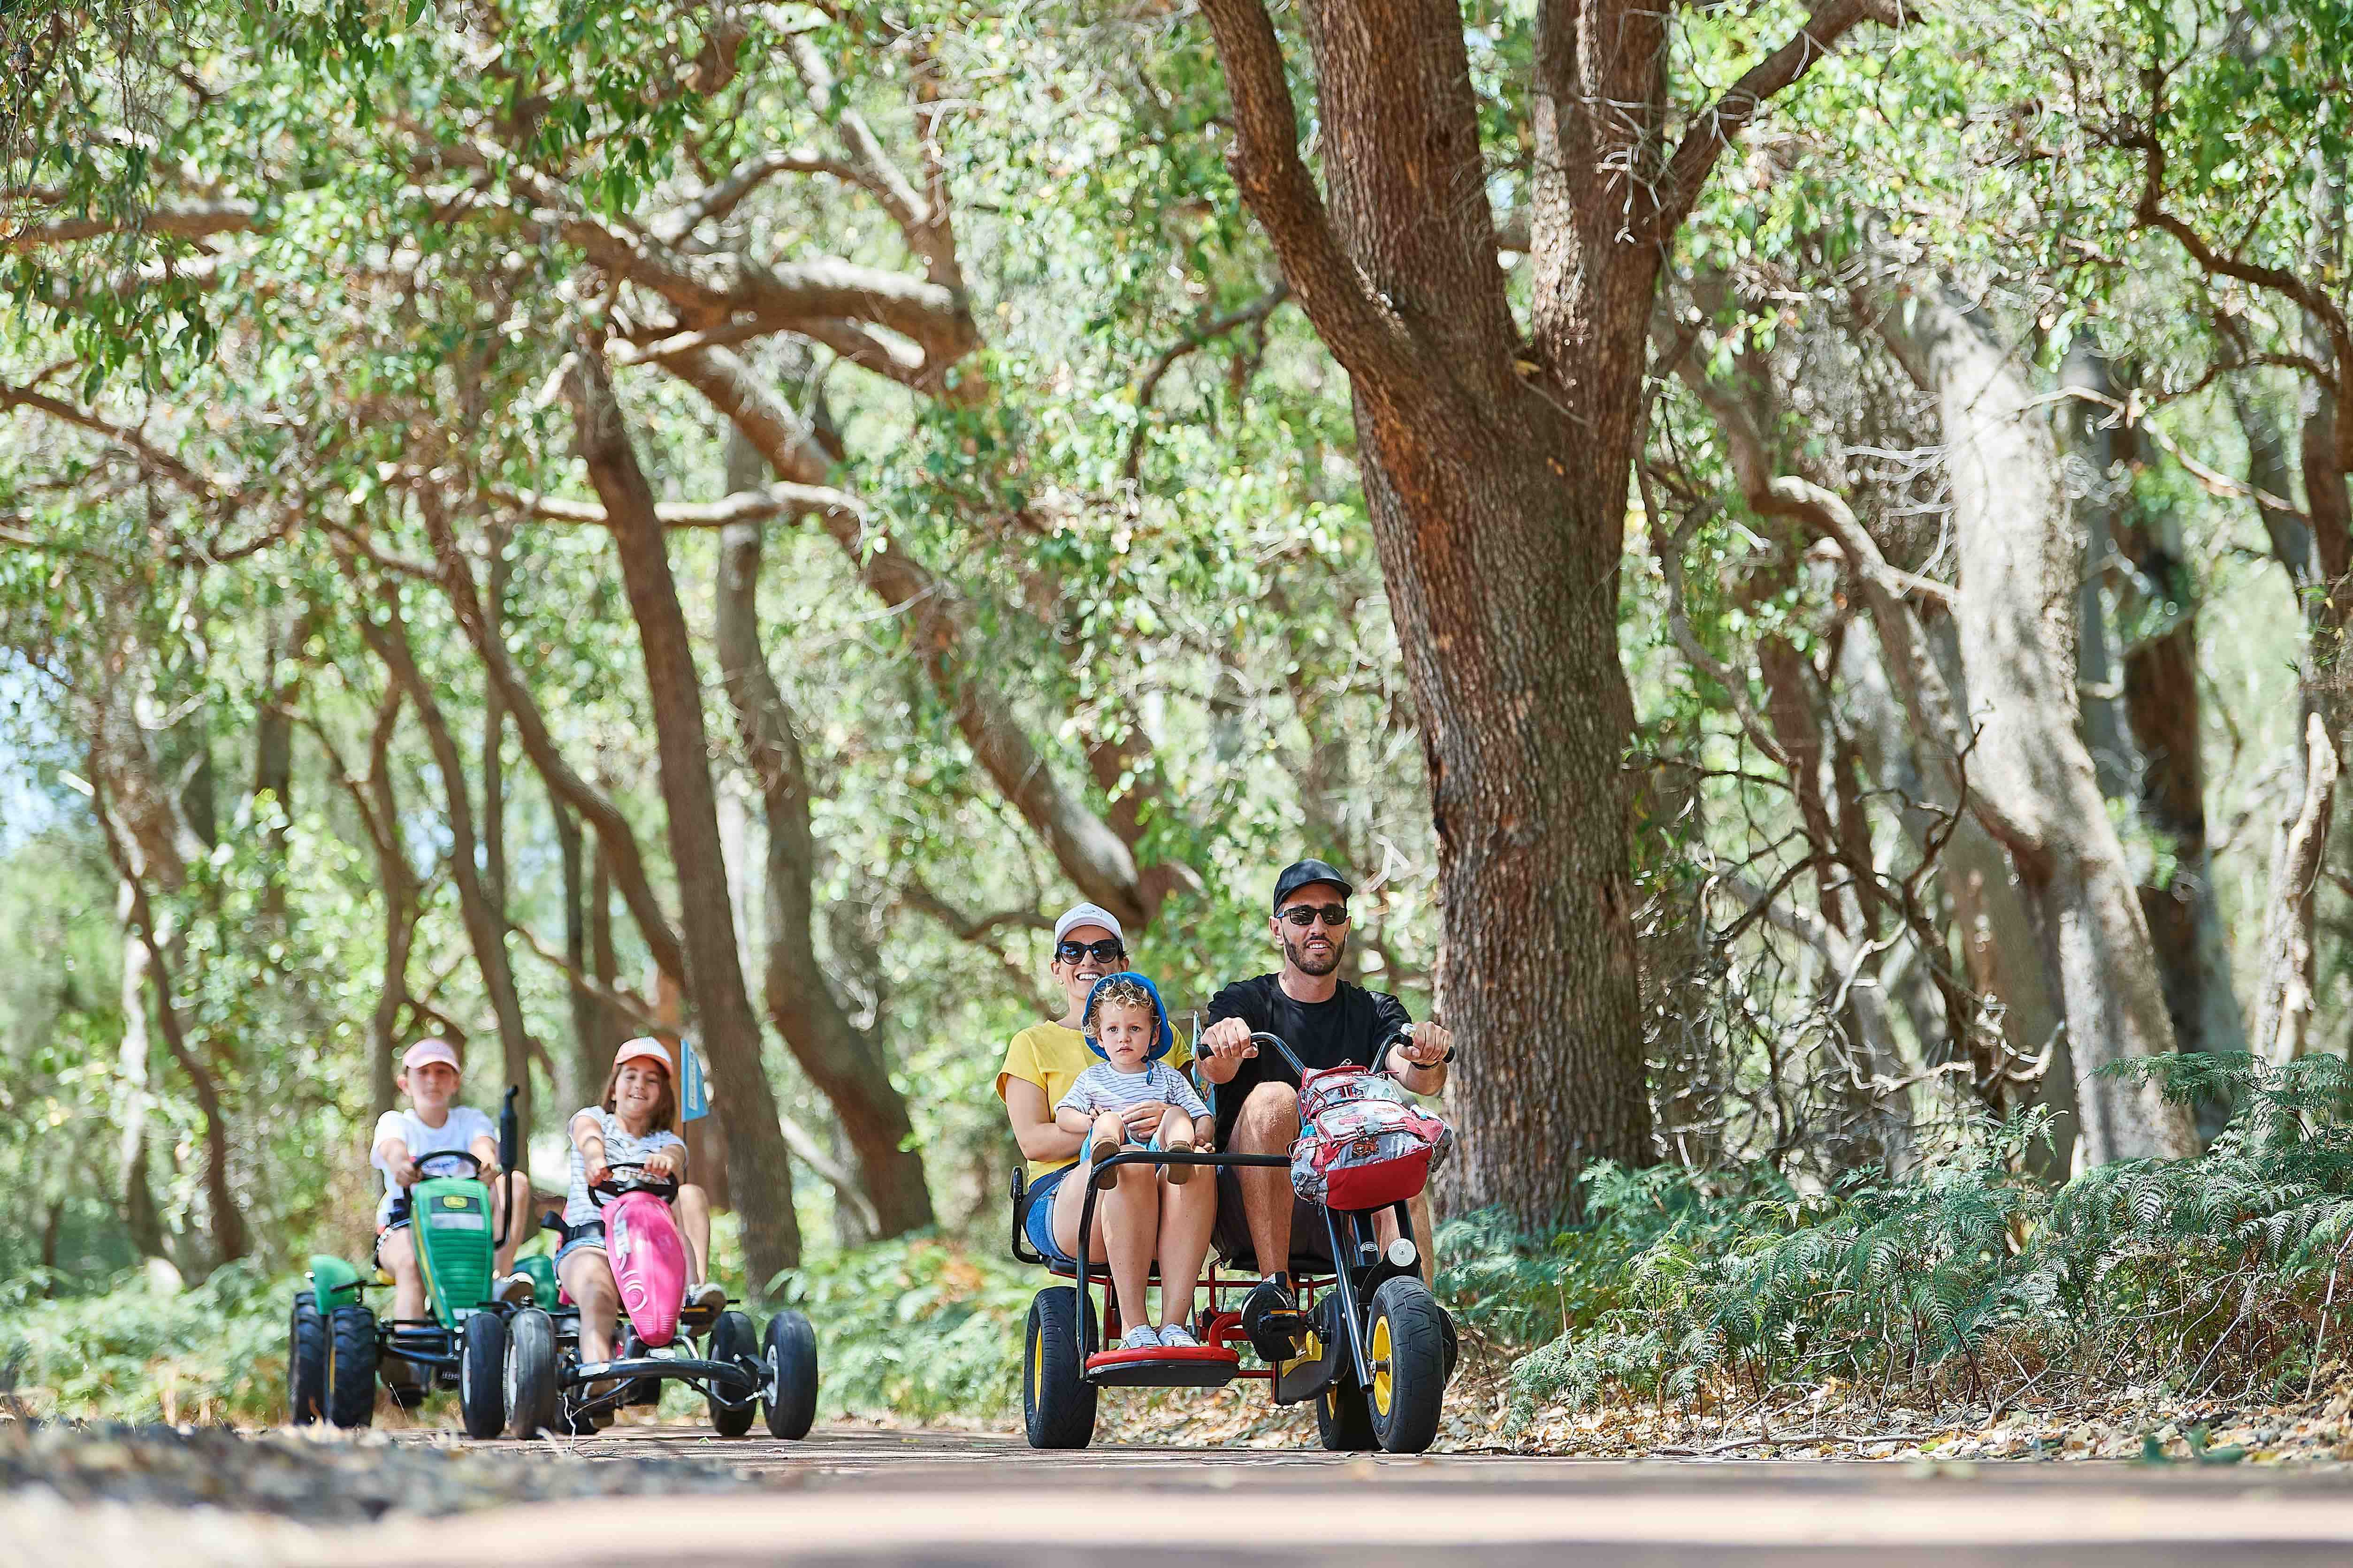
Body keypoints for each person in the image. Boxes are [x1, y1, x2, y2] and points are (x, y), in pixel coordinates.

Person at [1197, 858, 1454, 1358]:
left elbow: (1417, 1075)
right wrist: (1223, 1041)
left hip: (1344, 1200)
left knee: (1399, 1156)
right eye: (1301, 916)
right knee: (1276, 1098)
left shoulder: (1375, 1010)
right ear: (1278, 928)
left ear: (1346, 927)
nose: (1318, 927)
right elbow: (1215, 1068)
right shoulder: (1246, 1001)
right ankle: (1276, 1290)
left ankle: (1415, 1317)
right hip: (1250, 1207)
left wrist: (1427, 1051)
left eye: (1332, 915)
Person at [998, 904, 1216, 1346]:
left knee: (1195, 1163)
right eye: (1074, 951)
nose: (1088, 961)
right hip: (1068, 1191)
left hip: (1161, 1179)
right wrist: (1106, 1126)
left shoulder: (1162, 1040)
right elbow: (1035, 1141)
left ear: (1123, 964)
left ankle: (1175, 1322)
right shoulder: (1033, 1043)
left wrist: (1176, 1125)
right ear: (1057, 968)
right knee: (1129, 1160)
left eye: (1103, 949)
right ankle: (1136, 1326)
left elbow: (1194, 1109)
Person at [1055, 972, 1216, 1348]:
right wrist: (1091, 1121)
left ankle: (1175, 1325)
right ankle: (1136, 1324)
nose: (1124, 1038)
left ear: (1154, 1035)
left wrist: (1201, 1136)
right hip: (1120, 1155)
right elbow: (1065, 1114)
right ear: (1098, 1036)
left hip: (1162, 1158)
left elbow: (1201, 1114)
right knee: (1113, 1127)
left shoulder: (1167, 1077)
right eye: (1113, 1029)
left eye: (1134, 1029)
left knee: (1179, 1115)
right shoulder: (1094, 1079)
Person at [558, 1038, 727, 1393]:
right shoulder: (594, 1121)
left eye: (651, 1080)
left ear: (662, 1094)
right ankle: (598, 1376)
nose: (639, 1085)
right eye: (631, 1076)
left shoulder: (667, 1141)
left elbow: (675, 1154)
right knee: (597, 1293)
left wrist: (668, 1161)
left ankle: (693, 1296)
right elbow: (587, 1136)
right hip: (593, 1243)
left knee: (690, 1194)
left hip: (651, 1249)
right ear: (615, 1087)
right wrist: (595, 1158)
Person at [371, 1038, 533, 1321]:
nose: (433, 1080)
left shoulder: (470, 1120)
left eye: (442, 1072)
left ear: (456, 1082)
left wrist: (486, 1164)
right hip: (406, 1225)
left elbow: (483, 1148)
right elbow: (393, 1150)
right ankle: (412, 1350)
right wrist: (402, 1166)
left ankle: (498, 1279)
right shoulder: (396, 1123)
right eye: (423, 1073)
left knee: (514, 1182)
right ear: (405, 1083)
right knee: (413, 1261)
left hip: (464, 1223)